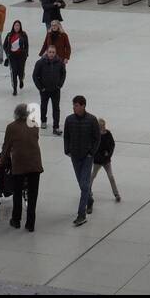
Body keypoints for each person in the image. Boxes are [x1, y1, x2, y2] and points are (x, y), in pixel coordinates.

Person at [2, 102, 43, 231]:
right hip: (35, 164)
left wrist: (3, 161)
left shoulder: (11, 127)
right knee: (32, 194)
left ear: (16, 114)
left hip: (19, 165)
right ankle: (30, 224)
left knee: (17, 193)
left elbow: (7, 146)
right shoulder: (35, 125)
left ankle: (16, 220)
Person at [63, 94, 101, 226]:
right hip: (75, 156)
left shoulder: (92, 120)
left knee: (84, 185)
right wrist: (67, 150)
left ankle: (81, 214)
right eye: (73, 105)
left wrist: (92, 152)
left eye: (76, 105)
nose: (74, 108)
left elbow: (97, 138)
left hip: (87, 157)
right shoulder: (69, 120)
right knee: (82, 184)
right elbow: (66, 136)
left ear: (83, 106)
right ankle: (89, 200)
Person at [32, 45, 67, 135]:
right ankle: (43, 120)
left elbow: (63, 73)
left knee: (56, 108)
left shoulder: (60, 62)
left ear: (55, 53)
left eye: (53, 52)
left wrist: (60, 85)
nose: (51, 54)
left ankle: (56, 126)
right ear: (47, 52)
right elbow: (35, 76)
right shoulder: (40, 62)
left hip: (56, 90)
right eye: (50, 52)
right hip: (44, 90)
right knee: (44, 106)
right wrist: (41, 87)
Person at [91, 117, 121, 203]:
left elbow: (112, 144)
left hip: (107, 160)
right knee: (93, 175)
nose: (103, 127)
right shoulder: (96, 136)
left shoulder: (108, 134)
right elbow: (95, 149)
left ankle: (116, 194)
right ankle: (88, 190)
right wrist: (100, 157)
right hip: (98, 161)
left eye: (104, 125)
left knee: (111, 176)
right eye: (101, 126)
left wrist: (109, 155)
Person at [3, 20, 30, 95]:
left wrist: (26, 54)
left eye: (18, 25)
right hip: (12, 57)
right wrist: (7, 53)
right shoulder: (9, 35)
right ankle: (14, 89)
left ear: (20, 26)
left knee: (21, 72)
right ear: (13, 26)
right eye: (15, 25)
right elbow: (4, 45)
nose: (17, 27)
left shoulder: (24, 34)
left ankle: (21, 80)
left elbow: (27, 45)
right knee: (14, 72)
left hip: (21, 56)